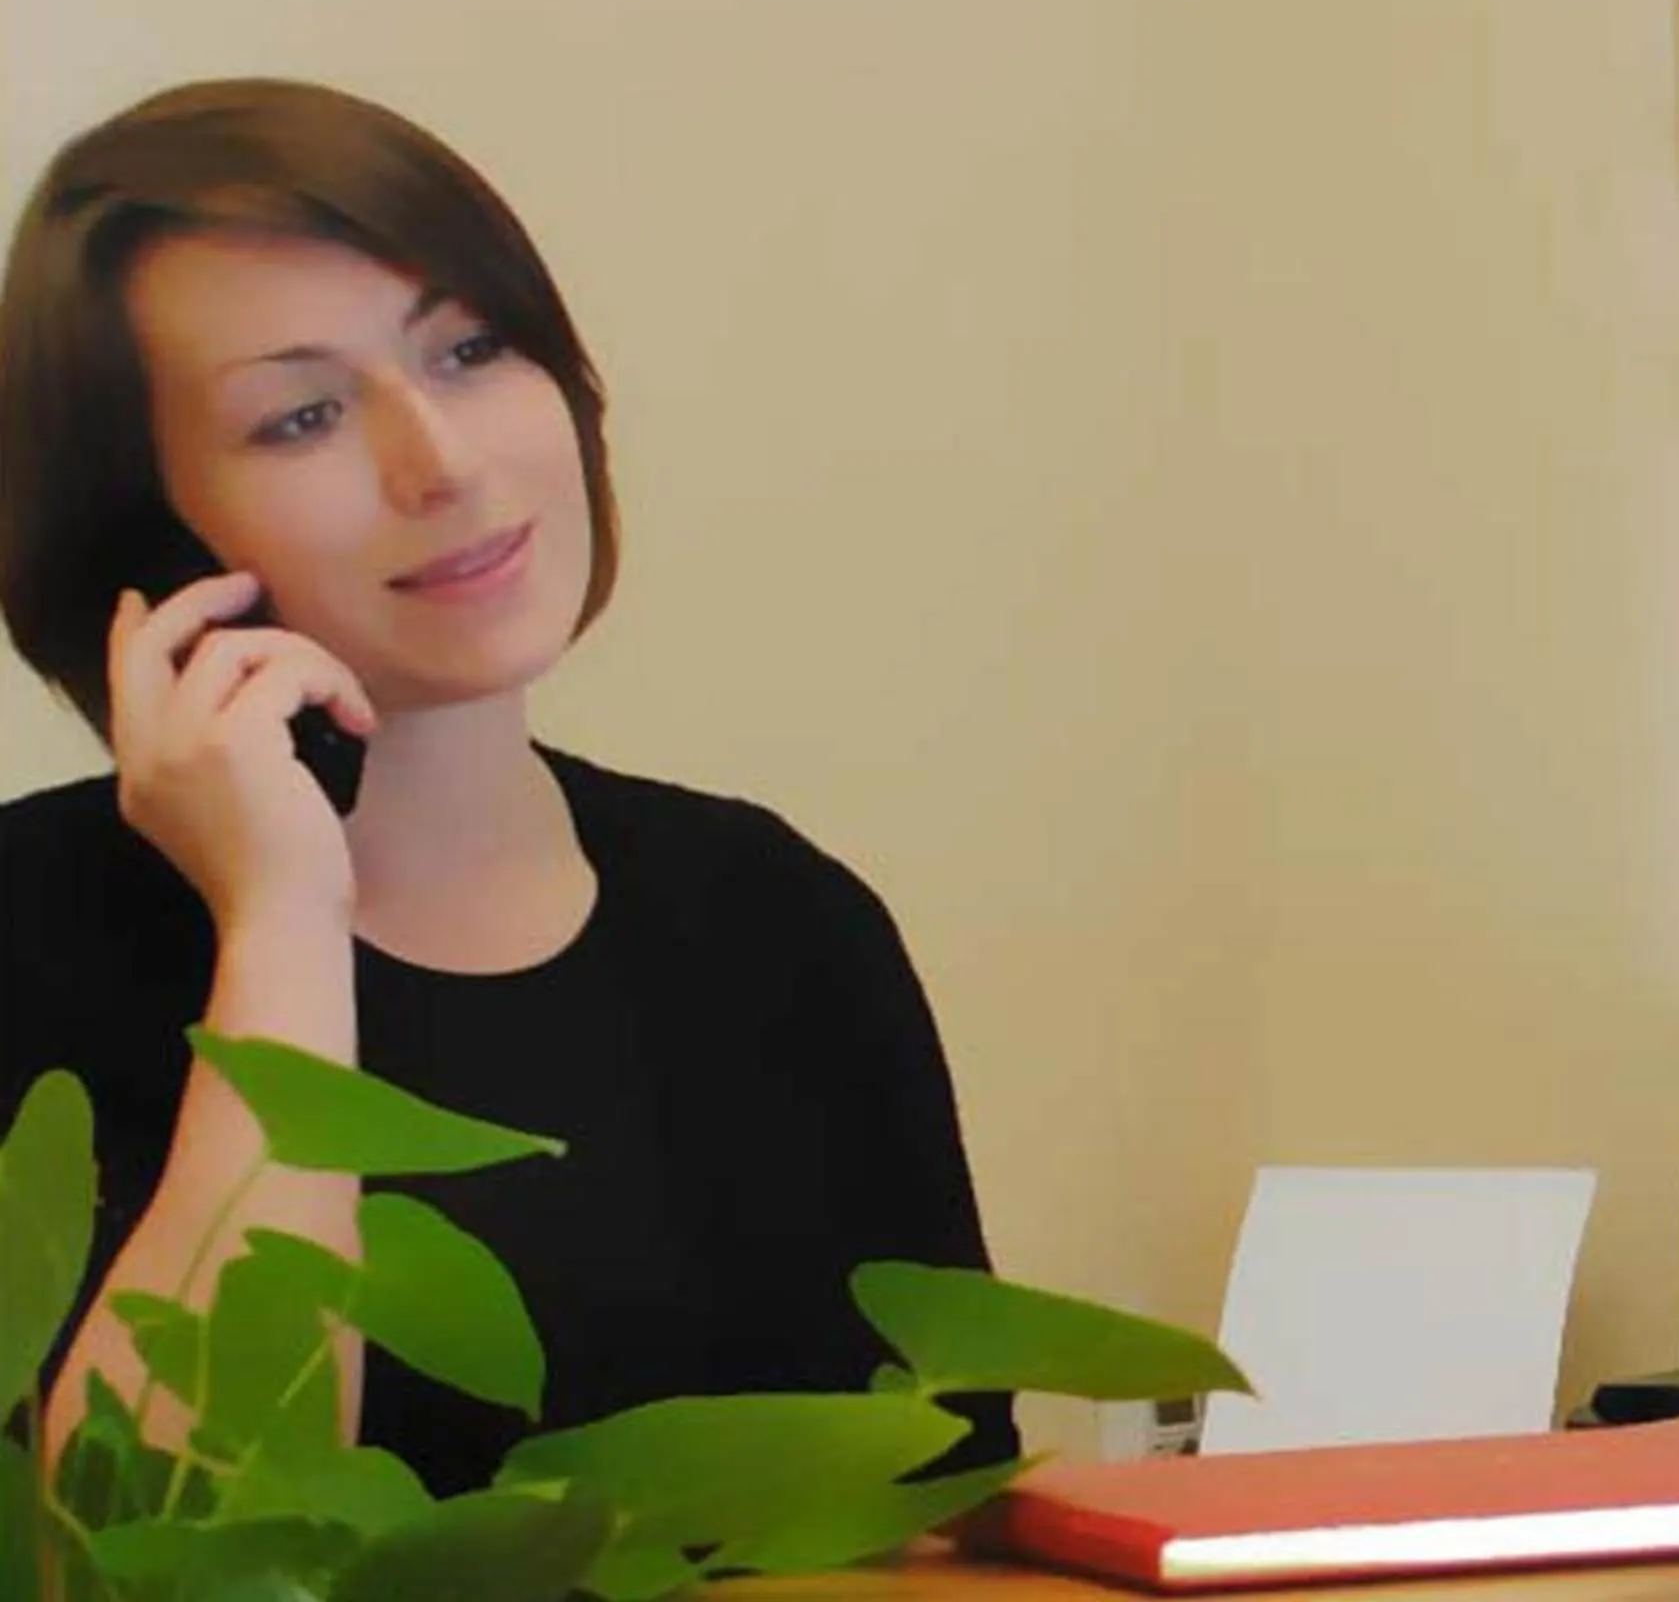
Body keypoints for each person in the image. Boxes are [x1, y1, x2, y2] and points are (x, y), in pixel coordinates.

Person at [0, 77, 1013, 1495]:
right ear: (151, 543)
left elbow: (939, 1517)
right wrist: (281, 918)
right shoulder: (28, 939)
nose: (446, 461)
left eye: (470, 349)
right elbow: (156, 1542)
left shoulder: (781, 918)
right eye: (300, 419)